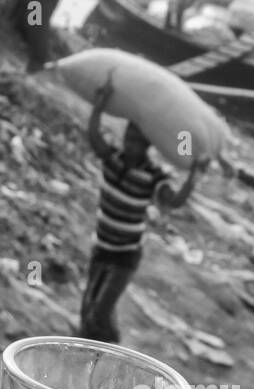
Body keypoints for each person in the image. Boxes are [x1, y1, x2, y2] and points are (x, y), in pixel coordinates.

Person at [81, 76, 200, 344]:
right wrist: (99, 106)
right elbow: (93, 135)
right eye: (128, 138)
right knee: (90, 304)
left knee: (100, 309)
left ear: (148, 146)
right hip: (101, 246)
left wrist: (193, 176)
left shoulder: (153, 176)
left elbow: (173, 201)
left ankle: (108, 347)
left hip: (125, 254)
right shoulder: (112, 159)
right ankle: (95, 344)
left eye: (137, 141)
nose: (130, 144)